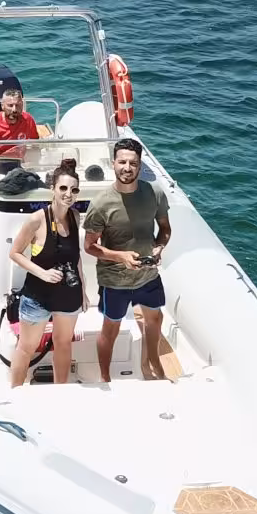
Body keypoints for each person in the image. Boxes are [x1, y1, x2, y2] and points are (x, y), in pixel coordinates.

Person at [83, 137, 173, 382]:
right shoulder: (101, 203)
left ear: (140, 165)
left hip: (148, 275)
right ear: (113, 163)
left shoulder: (154, 193)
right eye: (122, 162)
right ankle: (105, 377)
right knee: (111, 328)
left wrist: (159, 247)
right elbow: (89, 246)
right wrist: (119, 256)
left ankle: (153, 363)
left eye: (133, 163)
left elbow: (165, 229)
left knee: (155, 318)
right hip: (115, 281)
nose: (127, 168)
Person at [8, 157, 86, 387]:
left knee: (63, 344)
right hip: (37, 296)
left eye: (74, 190)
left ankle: (60, 392)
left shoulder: (75, 217)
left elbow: (76, 258)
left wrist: (83, 290)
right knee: (26, 347)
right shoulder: (37, 220)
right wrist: (42, 273)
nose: (68, 194)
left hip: (68, 294)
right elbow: (15, 253)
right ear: (53, 188)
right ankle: (15, 392)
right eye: (63, 188)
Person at [0, 84, 39, 173]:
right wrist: (11, 163)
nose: (14, 109)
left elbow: (36, 144)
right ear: (2, 106)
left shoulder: (28, 120)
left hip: (22, 166)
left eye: (17, 105)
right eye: (10, 105)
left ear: (22, 105)